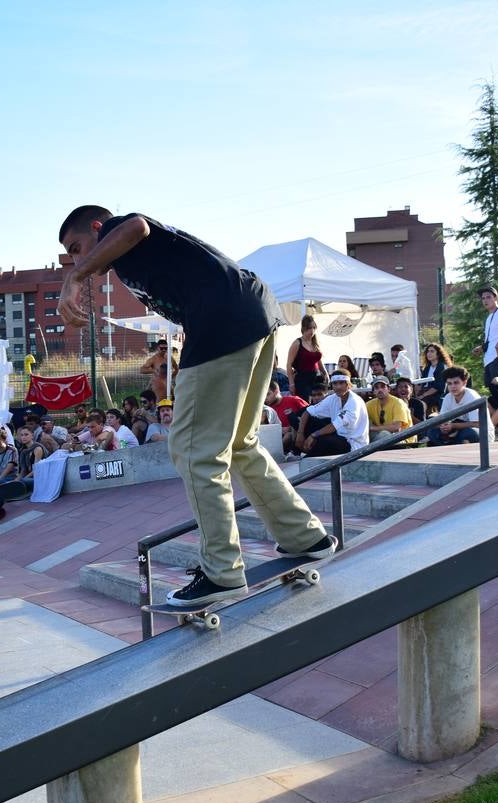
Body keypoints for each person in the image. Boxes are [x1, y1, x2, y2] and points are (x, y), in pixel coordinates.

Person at [59, 206, 335, 606]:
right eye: (71, 257)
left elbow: (136, 225)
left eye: (77, 248)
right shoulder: (134, 259)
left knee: (194, 450)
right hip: (252, 315)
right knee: (240, 443)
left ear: (99, 229)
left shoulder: (122, 230)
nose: (76, 259)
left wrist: (77, 276)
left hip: (222, 324)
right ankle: (305, 536)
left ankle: (222, 573)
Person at [301, 372, 369, 455]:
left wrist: (313, 435)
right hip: (339, 436)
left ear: (348, 384)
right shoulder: (333, 398)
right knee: (307, 422)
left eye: (341, 383)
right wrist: (299, 434)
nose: (338, 387)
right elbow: (308, 411)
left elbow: (334, 426)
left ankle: (307, 459)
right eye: (335, 383)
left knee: (324, 441)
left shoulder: (354, 402)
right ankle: (300, 452)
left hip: (354, 445)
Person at [429, 366, 490, 445]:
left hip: (482, 433)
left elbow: (478, 424)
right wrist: (443, 426)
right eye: (449, 384)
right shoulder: (448, 397)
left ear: (464, 382)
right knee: (432, 432)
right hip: (456, 431)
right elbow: (443, 420)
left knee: (468, 433)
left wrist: (453, 426)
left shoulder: (472, 397)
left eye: (456, 383)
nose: (453, 386)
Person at [286, 315, 328, 401]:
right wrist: (291, 383)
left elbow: (318, 361)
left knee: (319, 403)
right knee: (305, 404)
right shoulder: (297, 343)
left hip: (316, 379)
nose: (312, 331)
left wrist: (325, 373)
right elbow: (289, 364)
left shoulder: (314, 342)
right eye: (309, 328)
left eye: (313, 328)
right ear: (304, 328)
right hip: (302, 380)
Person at [365, 376, 414, 444]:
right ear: (373, 391)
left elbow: (396, 427)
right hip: (382, 436)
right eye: (377, 387)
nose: (380, 390)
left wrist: (372, 428)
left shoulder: (398, 403)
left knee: (384, 434)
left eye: (383, 387)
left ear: (389, 389)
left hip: (403, 439)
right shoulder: (369, 404)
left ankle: (365, 451)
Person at [265, 379, 309, 454]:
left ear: (276, 391)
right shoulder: (266, 410)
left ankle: (274, 454)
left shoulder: (294, 400)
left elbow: (309, 414)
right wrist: (279, 429)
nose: (265, 398)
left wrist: (291, 428)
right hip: (275, 439)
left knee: (289, 435)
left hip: (298, 435)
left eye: (268, 394)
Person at [416, 343, 452, 412]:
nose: (429, 353)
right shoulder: (427, 367)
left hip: (437, 395)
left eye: (432, 351)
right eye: (428, 351)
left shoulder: (442, 367)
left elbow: (438, 387)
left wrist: (423, 395)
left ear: (438, 354)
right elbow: (422, 383)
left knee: (420, 404)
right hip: (425, 392)